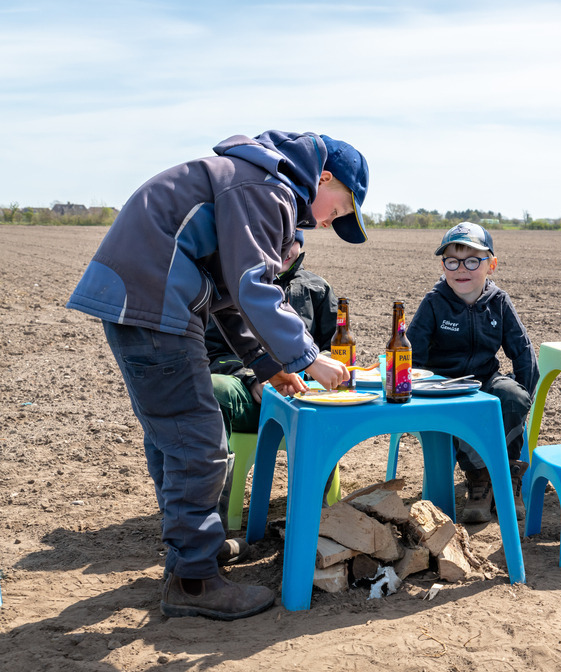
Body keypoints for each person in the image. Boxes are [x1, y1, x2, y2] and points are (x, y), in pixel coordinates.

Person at [66, 130, 369, 620]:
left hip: (149, 298)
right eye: (340, 207)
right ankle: (193, 581)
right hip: (154, 299)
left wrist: (271, 366)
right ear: (325, 177)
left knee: (177, 438)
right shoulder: (266, 189)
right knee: (199, 442)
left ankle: (193, 554)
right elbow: (254, 288)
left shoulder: (253, 181)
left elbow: (228, 302)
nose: (333, 219)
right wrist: (309, 357)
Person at [406, 222, 539, 523]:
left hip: (485, 379)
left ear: (491, 265)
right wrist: (427, 387)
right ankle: (479, 477)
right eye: (452, 261)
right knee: (459, 411)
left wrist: (524, 402)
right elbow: (412, 355)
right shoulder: (434, 303)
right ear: (443, 265)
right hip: (444, 384)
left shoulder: (500, 302)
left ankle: (508, 477)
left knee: (512, 398)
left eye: (472, 261)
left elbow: (523, 353)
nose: (461, 269)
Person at [206, 228, 339, 519]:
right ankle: (212, 515)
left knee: (332, 405)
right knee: (213, 389)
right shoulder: (233, 288)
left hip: (304, 396)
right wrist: (251, 377)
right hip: (252, 394)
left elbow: (333, 348)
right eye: (279, 241)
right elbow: (214, 353)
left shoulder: (318, 289)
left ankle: (313, 513)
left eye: (293, 241)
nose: (286, 249)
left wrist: (313, 371)